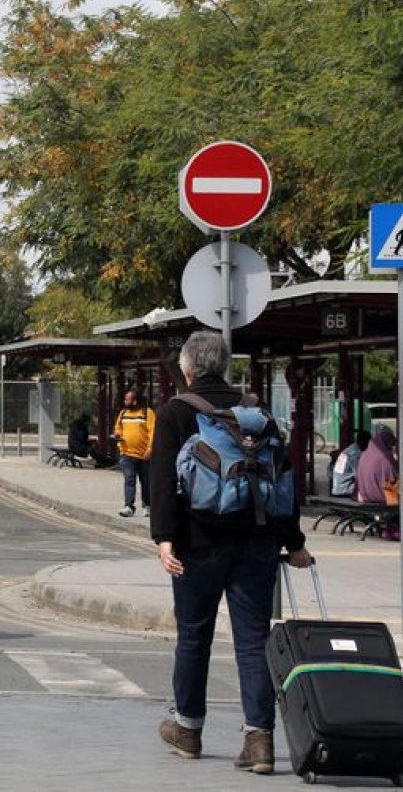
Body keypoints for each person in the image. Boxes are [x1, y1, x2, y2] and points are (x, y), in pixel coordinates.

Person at [150, 331, 312, 776]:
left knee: (194, 635)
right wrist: (293, 542)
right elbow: (283, 481)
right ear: (224, 367)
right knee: (252, 640)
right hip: (257, 543)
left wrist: (164, 539)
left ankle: (188, 730)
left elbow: (162, 483)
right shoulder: (258, 416)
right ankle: (259, 740)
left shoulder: (175, 412)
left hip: (196, 545)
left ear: (186, 369)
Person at [115, 388, 154, 517]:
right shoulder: (123, 413)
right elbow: (118, 428)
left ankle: (147, 505)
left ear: (135, 401)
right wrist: (118, 435)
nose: (125, 401)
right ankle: (129, 506)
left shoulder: (147, 413)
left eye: (127, 399)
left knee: (145, 481)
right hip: (126, 454)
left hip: (144, 455)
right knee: (129, 480)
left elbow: (152, 432)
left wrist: (150, 449)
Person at [355, 425, 398, 504]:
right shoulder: (385, 457)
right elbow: (395, 477)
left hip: (364, 496)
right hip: (381, 497)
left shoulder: (364, 454)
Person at [330, 429, 371, 498]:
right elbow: (360, 475)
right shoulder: (355, 454)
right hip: (345, 490)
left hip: (338, 488)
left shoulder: (350, 450)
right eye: (368, 443)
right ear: (363, 442)